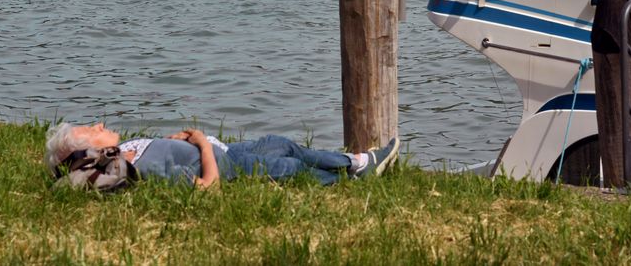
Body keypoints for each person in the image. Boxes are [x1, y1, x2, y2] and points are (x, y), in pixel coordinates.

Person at [46, 122, 400, 189]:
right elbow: (207, 186)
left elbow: (168, 150)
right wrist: (199, 142)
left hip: (226, 149)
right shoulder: (132, 169)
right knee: (290, 167)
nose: (100, 123)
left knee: (283, 142)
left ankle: (356, 164)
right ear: (90, 149)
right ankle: (354, 172)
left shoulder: (127, 151)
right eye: (92, 128)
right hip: (227, 164)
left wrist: (180, 136)